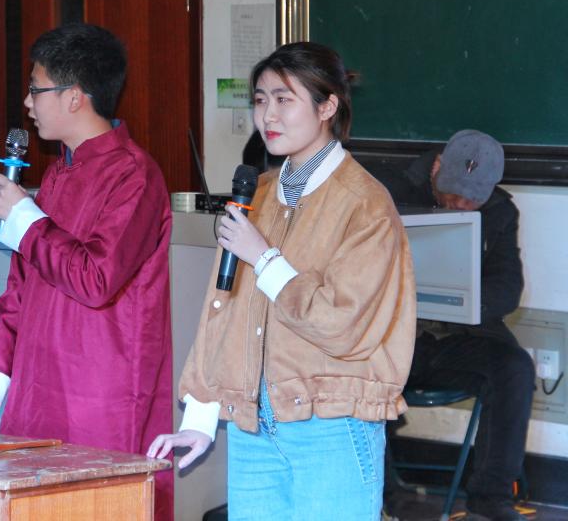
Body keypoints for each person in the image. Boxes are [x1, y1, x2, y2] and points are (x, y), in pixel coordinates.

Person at [148, 41, 417, 521]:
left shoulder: (366, 205)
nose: (267, 115)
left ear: (327, 107)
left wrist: (264, 257)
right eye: (260, 100)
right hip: (255, 425)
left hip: (332, 424)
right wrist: (203, 416)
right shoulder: (259, 193)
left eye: (283, 99)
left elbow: (342, 325)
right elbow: (224, 310)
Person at [0, 23, 175, 520]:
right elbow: (21, 287)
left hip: (101, 391)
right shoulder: (57, 172)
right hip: (38, 382)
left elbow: (96, 279)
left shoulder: (135, 174)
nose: (27, 103)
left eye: (36, 89)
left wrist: (26, 218)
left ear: (74, 97)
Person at [377, 130, 533, 521]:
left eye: (472, 199)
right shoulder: (388, 191)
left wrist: (465, 302)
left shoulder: (499, 211)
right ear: (436, 168)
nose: (460, 204)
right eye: (453, 193)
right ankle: (384, 494)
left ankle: (491, 497)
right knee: (354, 367)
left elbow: (508, 287)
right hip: (391, 336)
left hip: (459, 336)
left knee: (514, 369)